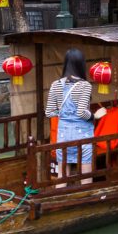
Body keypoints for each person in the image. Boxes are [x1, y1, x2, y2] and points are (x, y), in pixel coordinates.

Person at [45, 48, 106, 184]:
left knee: (62, 176)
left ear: (66, 63)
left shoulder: (55, 85)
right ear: (81, 64)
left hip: (63, 135)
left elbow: (49, 112)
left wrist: (65, 115)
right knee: (85, 176)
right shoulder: (84, 86)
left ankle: (60, 201)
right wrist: (95, 116)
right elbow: (81, 112)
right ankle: (85, 200)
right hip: (82, 136)